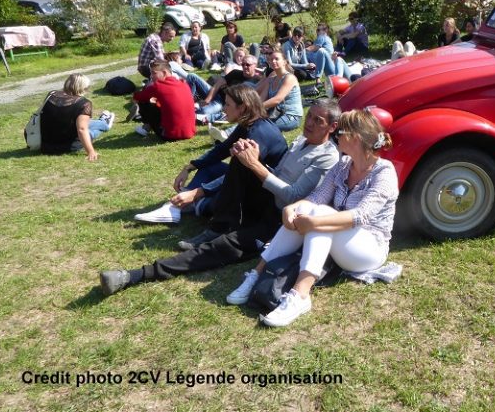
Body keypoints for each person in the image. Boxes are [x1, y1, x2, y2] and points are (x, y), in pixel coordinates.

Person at [99, 96, 333, 297]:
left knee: (222, 247)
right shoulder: (300, 141)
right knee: (241, 161)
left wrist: (255, 165)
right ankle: (220, 222)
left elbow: (292, 197)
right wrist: (248, 161)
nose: (309, 123)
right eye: (309, 116)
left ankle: (136, 275)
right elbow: (254, 167)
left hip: (278, 220)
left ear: (331, 127)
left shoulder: (326, 157)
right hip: (263, 201)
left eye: (318, 121)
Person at [226, 109, 399, 327]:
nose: (336, 138)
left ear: (354, 138)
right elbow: (317, 197)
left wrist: (314, 222)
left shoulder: (384, 171)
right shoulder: (343, 165)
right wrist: (292, 209)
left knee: (321, 214)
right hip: (343, 242)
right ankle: (256, 274)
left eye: (340, 133)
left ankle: (301, 295)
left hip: (369, 250)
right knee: (309, 210)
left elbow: (361, 215)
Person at [132, 84, 290, 226]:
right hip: (249, 182)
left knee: (218, 200)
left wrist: (197, 193)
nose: (223, 109)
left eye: (228, 104)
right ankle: (176, 207)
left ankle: (192, 204)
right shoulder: (249, 123)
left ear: (242, 108)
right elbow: (222, 149)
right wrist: (190, 167)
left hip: (262, 195)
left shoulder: (259, 133)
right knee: (209, 168)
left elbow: (238, 174)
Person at [40, 73, 115, 162]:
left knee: (86, 123)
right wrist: (91, 152)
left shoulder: (51, 95)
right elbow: (82, 130)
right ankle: (105, 123)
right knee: (90, 131)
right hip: (69, 145)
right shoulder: (84, 103)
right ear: (83, 87)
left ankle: (103, 121)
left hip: (46, 145)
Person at [131, 59, 196, 140]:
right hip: (190, 133)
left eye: (154, 73)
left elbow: (137, 97)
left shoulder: (158, 86)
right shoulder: (183, 83)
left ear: (164, 72)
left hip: (170, 135)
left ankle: (146, 127)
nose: (151, 76)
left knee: (144, 103)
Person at [195, 55, 263, 124]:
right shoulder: (235, 73)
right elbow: (218, 84)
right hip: (217, 96)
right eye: (243, 64)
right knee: (192, 77)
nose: (245, 67)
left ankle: (195, 113)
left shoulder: (258, 81)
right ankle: (189, 102)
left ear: (255, 65)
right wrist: (207, 100)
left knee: (203, 111)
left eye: (248, 65)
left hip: (223, 105)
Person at [256, 50, 303, 131]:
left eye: (276, 59)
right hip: (275, 114)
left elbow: (277, 100)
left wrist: (255, 107)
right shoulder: (271, 79)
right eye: (271, 59)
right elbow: (261, 99)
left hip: (291, 116)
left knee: (261, 127)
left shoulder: (289, 78)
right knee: (251, 122)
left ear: (284, 62)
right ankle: (229, 132)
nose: (273, 61)